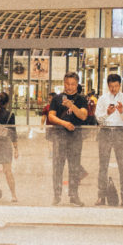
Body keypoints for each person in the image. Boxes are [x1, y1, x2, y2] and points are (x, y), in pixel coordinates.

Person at [46, 71, 88, 206]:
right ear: (64, 83)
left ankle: (73, 195)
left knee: (74, 167)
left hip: (75, 138)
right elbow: (51, 116)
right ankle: (56, 195)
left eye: (73, 84)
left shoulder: (82, 99)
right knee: (57, 167)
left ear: (77, 84)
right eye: (67, 84)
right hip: (59, 137)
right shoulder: (57, 99)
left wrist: (71, 106)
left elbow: (83, 116)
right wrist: (64, 123)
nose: (70, 87)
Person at [94, 72, 123, 207]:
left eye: (116, 86)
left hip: (120, 132)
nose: (113, 89)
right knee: (103, 166)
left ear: (120, 85)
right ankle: (101, 196)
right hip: (105, 132)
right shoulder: (102, 99)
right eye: (111, 86)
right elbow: (98, 118)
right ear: (108, 86)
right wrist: (107, 113)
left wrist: (121, 112)